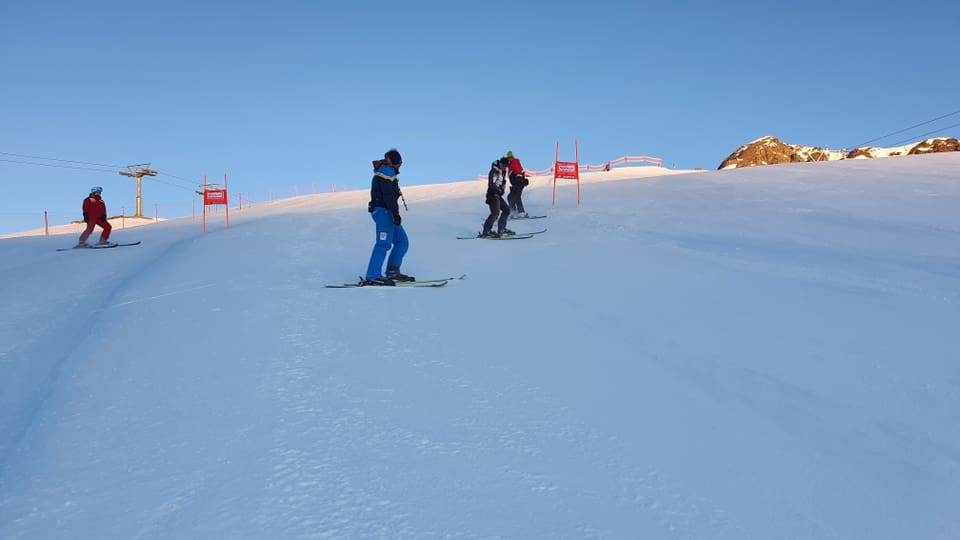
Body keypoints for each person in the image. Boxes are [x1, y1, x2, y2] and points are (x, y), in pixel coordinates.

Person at [364, 148, 414, 285]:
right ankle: (372, 275)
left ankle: (393, 271)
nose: (400, 165)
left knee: (402, 241)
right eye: (400, 163)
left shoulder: (389, 174)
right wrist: (395, 213)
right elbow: (387, 196)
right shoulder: (385, 174)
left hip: (389, 213)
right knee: (383, 244)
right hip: (384, 213)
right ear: (394, 163)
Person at [480, 157, 515, 238]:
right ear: (500, 163)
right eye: (504, 165)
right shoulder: (494, 171)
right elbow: (491, 184)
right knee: (495, 213)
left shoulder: (500, 172)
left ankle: (501, 229)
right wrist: (498, 190)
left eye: (506, 166)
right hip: (492, 194)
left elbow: (500, 184)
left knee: (506, 210)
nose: (505, 167)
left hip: (497, 195)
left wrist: (502, 187)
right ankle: (486, 231)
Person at [504, 150, 529, 218]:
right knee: (511, 197)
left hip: (518, 182)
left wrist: (519, 179)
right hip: (518, 182)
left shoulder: (514, 163)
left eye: (509, 158)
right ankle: (514, 211)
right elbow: (522, 172)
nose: (508, 159)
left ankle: (520, 212)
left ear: (511, 157)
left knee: (515, 196)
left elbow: (518, 173)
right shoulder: (513, 163)